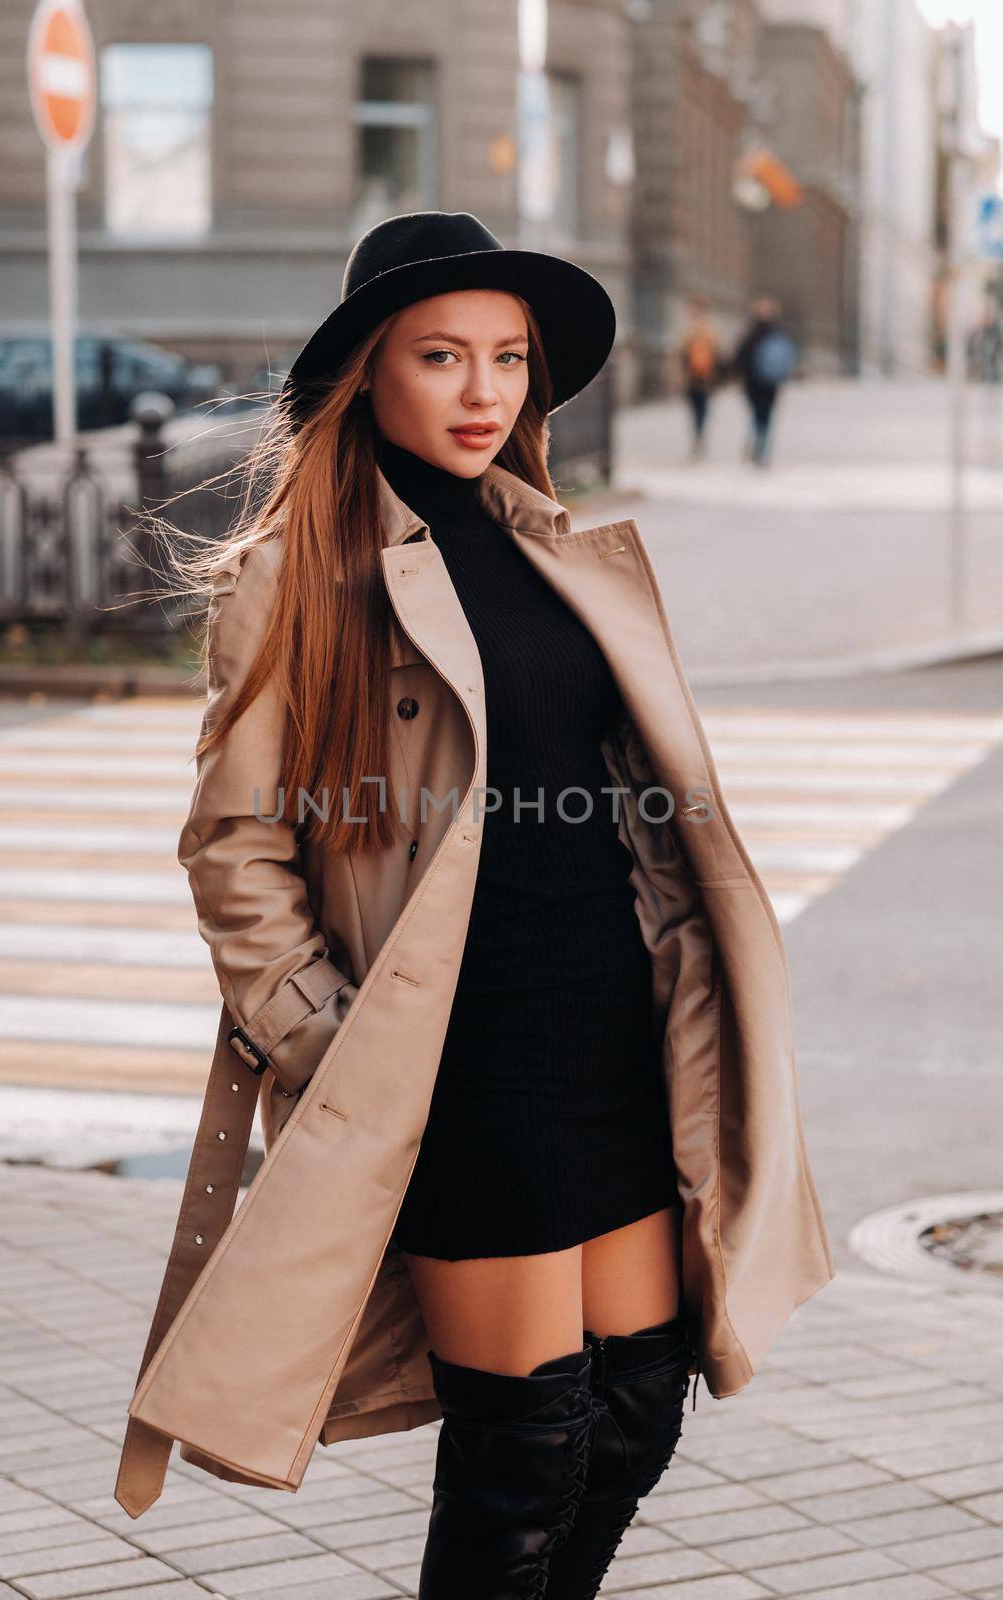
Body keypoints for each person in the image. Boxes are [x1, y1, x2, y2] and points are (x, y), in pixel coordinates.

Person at [113, 211, 835, 1597]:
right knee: (521, 1458)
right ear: (368, 373)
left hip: (609, 1031)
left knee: (625, 1421)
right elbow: (233, 847)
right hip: (462, 1058)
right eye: (439, 356)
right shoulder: (299, 578)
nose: (481, 391)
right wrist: (339, 1053)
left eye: (505, 358)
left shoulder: (561, 547)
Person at [732, 295, 797, 466]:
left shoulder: (751, 333)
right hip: (771, 383)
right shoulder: (777, 332)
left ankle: (758, 446)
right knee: (766, 417)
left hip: (753, 383)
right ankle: (762, 448)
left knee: (756, 415)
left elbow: (740, 358)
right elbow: (787, 357)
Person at [679, 295, 721, 457]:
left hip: (702, 377)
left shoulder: (694, 331)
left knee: (700, 409)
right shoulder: (710, 330)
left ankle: (698, 436)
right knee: (698, 409)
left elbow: (716, 356)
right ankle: (698, 436)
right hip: (696, 377)